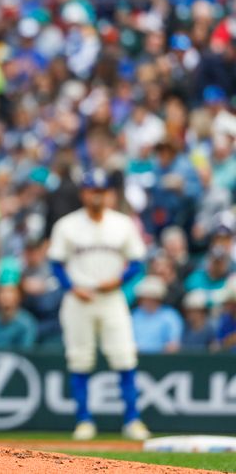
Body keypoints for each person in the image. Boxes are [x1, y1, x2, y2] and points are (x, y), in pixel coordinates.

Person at [48, 169, 150, 441]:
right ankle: (84, 420)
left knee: (124, 356)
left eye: (101, 191)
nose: (96, 195)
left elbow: (138, 262)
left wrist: (118, 280)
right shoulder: (67, 225)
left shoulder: (122, 224)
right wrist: (72, 287)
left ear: (109, 194)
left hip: (111, 297)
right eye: (92, 190)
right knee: (80, 359)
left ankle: (132, 419)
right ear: (83, 193)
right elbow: (56, 264)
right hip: (78, 299)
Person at [130, 276, 183, 354]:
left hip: (162, 361)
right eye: (144, 298)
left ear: (158, 299)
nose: (147, 301)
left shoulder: (170, 316)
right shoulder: (135, 315)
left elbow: (174, 343)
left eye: (151, 298)